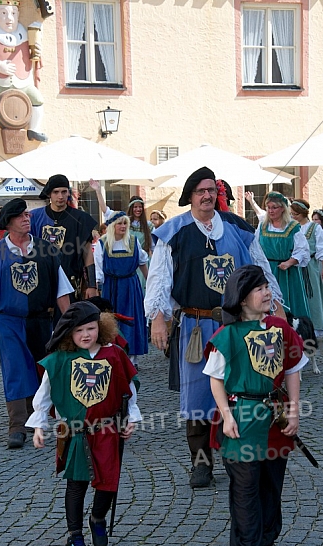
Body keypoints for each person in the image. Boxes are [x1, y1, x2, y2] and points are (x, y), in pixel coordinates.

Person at [145, 166, 284, 488]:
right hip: (196, 325)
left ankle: (241, 457)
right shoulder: (173, 231)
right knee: (197, 398)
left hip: (239, 325)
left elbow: (260, 268)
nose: (207, 196)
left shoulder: (237, 227)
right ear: (190, 196)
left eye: (211, 190)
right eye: (200, 191)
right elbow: (160, 277)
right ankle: (201, 463)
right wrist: (157, 318)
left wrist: (274, 306)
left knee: (243, 391)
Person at [203, 265, 307, 546]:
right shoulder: (228, 335)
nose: (267, 292)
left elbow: (292, 369)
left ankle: (267, 535)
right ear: (242, 298)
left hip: (274, 416)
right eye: (259, 288)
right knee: (245, 483)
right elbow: (215, 378)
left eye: (266, 287)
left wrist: (294, 410)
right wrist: (226, 415)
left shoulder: (281, 328)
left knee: (271, 481)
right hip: (241, 416)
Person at [26, 301, 141, 546]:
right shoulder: (60, 361)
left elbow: (128, 391)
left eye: (90, 328)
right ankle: (74, 535)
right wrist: (38, 426)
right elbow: (44, 395)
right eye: (79, 331)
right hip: (76, 432)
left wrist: (131, 417)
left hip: (108, 429)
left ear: (100, 327)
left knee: (108, 484)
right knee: (76, 485)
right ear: (69, 334)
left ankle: (98, 518)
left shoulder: (113, 355)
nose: (85, 335)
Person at [0, 198, 73, 449]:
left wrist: (72, 323)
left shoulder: (46, 250)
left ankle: (35, 417)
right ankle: (17, 425)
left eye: (28, 215)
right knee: (16, 369)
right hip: (9, 320)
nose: (27, 218)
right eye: (21, 216)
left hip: (41, 319)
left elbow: (62, 290)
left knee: (42, 368)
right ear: (8, 223)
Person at [0, 0, 47, 142]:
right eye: (4, 13)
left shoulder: (24, 34)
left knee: (37, 99)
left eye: (13, 13)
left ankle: (33, 130)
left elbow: (33, 56)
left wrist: (37, 50)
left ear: (18, 14)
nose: (9, 18)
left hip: (22, 82)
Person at [29, 174, 98, 302]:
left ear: (68, 193)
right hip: (41, 282)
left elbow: (87, 254)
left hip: (70, 282)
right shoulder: (34, 217)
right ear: (49, 193)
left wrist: (92, 285)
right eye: (56, 192)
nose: (60, 196)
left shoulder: (81, 219)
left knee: (70, 320)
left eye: (64, 192)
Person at [94, 211, 149, 367]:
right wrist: (99, 291)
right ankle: (114, 355)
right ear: (112, 226)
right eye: (120, 223)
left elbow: (143, 263)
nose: (123, 226)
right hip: (111, 287)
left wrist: (150, 284)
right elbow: (98, 269)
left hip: (131, 287)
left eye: (125, 223)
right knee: (112, 322)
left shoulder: (133, 241)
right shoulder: (102, 243)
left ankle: (132, 359)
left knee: (132, 320)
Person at [257, 191, 311, 319]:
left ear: (282, 209)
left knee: (289, 303)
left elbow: (303, 250)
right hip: (267, 270)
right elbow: (256, 248)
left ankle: (293, 334)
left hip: (287, 273)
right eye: (268, 207)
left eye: (274, 207)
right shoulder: (263, 226)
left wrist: (289, 262)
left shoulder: (292, 227)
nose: (270, 211)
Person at [290, 200, 323, 336]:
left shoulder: (314, 228)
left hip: (310, 266)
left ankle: (315, 327)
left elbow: (321, 248)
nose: (293, 216)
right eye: (291, 214)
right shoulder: (290, 227)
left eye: (295, 214)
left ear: (303, 213)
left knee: (312, 295)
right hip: (293, 267)